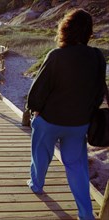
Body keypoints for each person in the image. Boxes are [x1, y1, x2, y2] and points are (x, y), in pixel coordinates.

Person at [26, 8, 106, 220]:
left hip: (49, 120)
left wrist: (35, 110)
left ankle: (36, 185)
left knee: (41, 156)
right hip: (79, 124)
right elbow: (99, 91)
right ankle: (86, 214)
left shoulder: (57, 55)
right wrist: (85, 113)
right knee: (77, 166)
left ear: (65, 29)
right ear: (89, 32)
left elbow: (39, 89)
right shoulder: (98, 56)